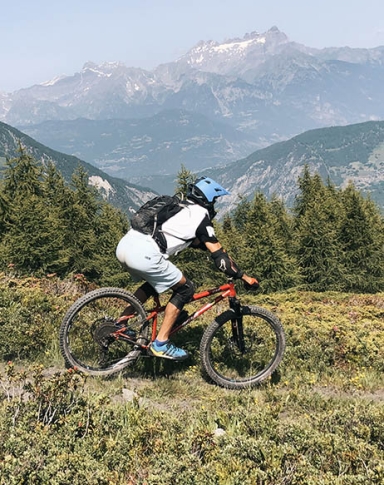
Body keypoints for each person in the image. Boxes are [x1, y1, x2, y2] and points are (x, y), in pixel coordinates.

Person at [116, 176, 259, 361]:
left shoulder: (180, 208)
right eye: (214, 201)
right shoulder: (201, 216)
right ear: (208, 200)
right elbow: (220, 258)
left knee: (154, 283)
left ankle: (120, 323)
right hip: (144, 255)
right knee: (186, 289)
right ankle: (161, 343)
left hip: (125, 246)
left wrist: (222, 255)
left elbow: (207, 245)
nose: (214, 205)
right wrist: (242, 276)